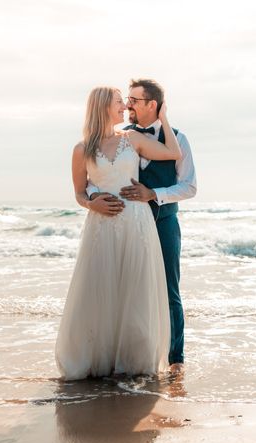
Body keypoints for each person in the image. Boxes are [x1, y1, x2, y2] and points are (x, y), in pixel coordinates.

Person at [55, 86, 182, 380]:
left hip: (136, 224)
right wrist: (92, 203)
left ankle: (133, 362)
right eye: (118, 102)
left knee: (134, 292)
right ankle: (100, 359)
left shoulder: (133, 138)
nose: (125, 106)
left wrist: (163, 118)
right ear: (102, 107)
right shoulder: (81, 149)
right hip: (101, 227)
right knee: (101, 293)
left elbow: (173, 153)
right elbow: (77, 192)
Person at [87, 79, 197, 370]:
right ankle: (131, 356)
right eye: (126, 100)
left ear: (152, 105)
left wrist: (154, 195)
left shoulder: (179, 138)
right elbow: (97, 173)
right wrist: (92, 196)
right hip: (127, 225)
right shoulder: (122, 137)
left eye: (134, 100)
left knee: (169, 290)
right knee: (129, 290)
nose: (128, 105)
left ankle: (175, 360)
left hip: (163, 223)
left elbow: (189, 187)